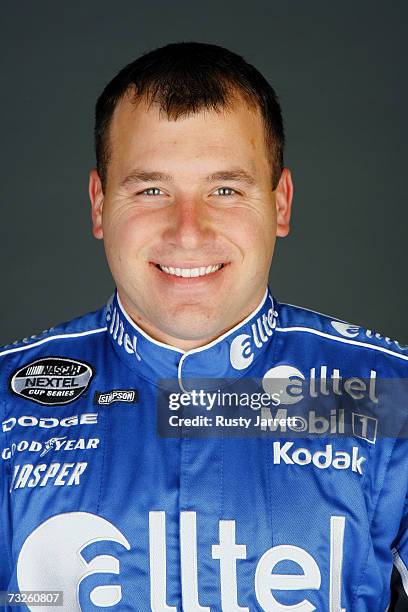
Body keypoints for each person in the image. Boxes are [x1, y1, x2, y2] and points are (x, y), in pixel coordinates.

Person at [0, 41, 407, 611]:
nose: (188, 230)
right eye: (151, 189)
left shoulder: (389, 395)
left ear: (280, 204)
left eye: (225, 189)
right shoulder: (8, 406)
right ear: (98, 205)